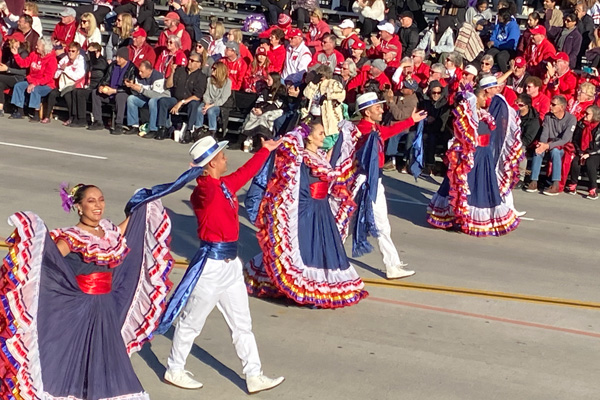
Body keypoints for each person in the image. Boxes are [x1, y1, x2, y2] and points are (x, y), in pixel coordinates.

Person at [0, 183, 173, 400]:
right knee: (77, 359)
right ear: (79, 207)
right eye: (91, 201)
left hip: (106, 307)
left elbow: (128, 226)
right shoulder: (72, 238)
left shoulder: (108, 232)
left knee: (107, 359)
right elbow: (49, 260)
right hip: (81, 311)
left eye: (101, 199)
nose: (98, 205)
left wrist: (144, 202)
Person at [160, 135, 285, 393]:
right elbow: (203, 189)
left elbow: (247, 171)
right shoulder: (203, 191)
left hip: (230, 266)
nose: (226, 158)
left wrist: (265, 151)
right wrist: (198, 171)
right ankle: (174, 369)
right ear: (211, 164)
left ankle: (254, 374)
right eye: (221, 156)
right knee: (191, 322)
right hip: (210, 267)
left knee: (242, 324)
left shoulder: (225, 184)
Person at [245, 121, 369, 307]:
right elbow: (292, 182)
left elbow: (335, 161)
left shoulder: (319, 155)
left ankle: (317, 288)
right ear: (309, 136)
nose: (323, 137)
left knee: (321, 249)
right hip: (306, 210)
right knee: (302, 249)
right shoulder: (301, 158)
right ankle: (295, 288)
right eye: (320, 133)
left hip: (321, 209)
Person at [427, 85, 520, 236]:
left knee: (482, 186)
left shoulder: (484, 114)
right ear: (476, 99)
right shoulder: (470, 117)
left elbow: (499, 103)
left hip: (485, 155)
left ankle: (472, 217)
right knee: (465, 187)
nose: (486, 99)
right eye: (483, 97)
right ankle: (457, 217)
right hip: (473, 156)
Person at [354, 91, 427, 278]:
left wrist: (411, 120)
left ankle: (392, 264)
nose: (381, 110)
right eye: (377, 107)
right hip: (366, 181)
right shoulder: (362, 131)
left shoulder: (374, 129)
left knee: (379, 224)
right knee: (356, 222)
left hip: (374, 180)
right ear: (367, 113)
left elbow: (388, 132)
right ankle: (326, 259)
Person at [525, 95, 577, 195]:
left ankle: (555, 183)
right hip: (548, 143)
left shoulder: (571, 119)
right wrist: (542, 145)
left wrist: (548, 146)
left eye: (553, 105)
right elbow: (545, 133)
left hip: (563, 146)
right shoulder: (548, 116)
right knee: (538, 150)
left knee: (556, 151)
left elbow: (565, 139)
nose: (550, 106)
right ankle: (534, 181)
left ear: (562, 107)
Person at [152, 51, 207, 141]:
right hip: (177, 99)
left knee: (194, 104)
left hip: (188, 102)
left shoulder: (201, 77)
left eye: (193, 61)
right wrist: (172, 73)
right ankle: (162, 128)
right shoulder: (181, 71)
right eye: (189, 60)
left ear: (199, 64)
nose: (189, 62)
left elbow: (197, 95)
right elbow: (169, 85)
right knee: (163, 101)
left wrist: (182, 103)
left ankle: (189, 131)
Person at [88, 47, 137, 133]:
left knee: (120, 96)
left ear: (125, 58)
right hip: (110, 91)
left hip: (122, 93)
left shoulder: (132, 68)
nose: (117, 59)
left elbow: (129, 87)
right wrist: (101, 86)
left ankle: (119, 124)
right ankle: (98, 121)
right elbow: (106, 78)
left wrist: (115, 91)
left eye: (119, 57)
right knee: (95, 93)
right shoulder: (113, 65)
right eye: (116, 57)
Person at [8, 37, 57, 121]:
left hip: (46, 84)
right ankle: (20, 111)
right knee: (18, 86)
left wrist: (35, 83)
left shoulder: (52, 60)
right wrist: (16, 55)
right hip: (32, 80)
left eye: (38, 46)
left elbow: (48, 77)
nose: (36, 47)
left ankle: (36, 114)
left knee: (35, 90)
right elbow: (24, 64)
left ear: (44, 47)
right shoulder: (34, 54)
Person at [42, 42, 86, 124]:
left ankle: (70, 118)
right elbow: (55, 74)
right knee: (52, 94)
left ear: (78, 52)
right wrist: (61, 70)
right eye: (69, 50)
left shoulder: (80, 61)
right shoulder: (65, 59)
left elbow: (77, 76)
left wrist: (66, 69)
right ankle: (47, 117)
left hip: (74, 86)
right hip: (62, 85)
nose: (70, 53)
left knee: (68, 95)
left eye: (73, 51)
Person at [125, 59, 170, 136]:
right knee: (131, 99)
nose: (139, 73)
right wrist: (132, 87)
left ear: (149, 70)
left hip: (160, 100)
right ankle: (134, 125)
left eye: (142, 71)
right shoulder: (138, 77)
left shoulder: (158, 76)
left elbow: (156, 95)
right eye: (139, 71)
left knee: (152, 101)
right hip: (146, 98)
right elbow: (137, 92)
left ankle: (153, 129)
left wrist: (141, 90)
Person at [68, 42, 108, 127]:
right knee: (75, 91)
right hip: (89, 87)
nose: (89, 54)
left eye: (92, 52)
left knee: (80, 93)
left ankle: (82, 119)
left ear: (98, 52)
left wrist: (94, 60)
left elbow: (100, 67)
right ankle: (76, 116)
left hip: (96, 88)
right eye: (88, 52)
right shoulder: (90, 62)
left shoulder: (101, 62)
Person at [565, 105, 600, 199]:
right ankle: (573, 184)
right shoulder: (581, 124)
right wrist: (580, 151)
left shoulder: (598, 127)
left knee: (590, 162)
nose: (585, 115)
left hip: (596, 153)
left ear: (594, 115)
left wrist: (589, 154)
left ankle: (593, 188)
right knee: (576, 161)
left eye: (587, 114)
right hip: (582, 151)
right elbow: (575, 140)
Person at [241, 71, 285, 139]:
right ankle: (244, 138)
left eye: (269, 80)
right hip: (263, 108)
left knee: (264, 117)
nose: (267, 81)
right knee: (252, 114)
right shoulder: (266, 89)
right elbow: (260, 100)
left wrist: (262, 110)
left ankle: (262, 138)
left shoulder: (281, 90)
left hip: (276, 110)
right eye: (267, 79)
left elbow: (276, 105)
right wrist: (257, 108)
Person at [196, 61, 232, 137]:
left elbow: (223, 99)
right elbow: (206, 94)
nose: (212, 70)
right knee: (200, 109)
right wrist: (206, 103)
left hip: (219, 104)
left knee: (211, 111)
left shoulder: (227, 82)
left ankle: (212, 131)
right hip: (208, 102)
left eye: (214, 69)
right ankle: (198, 129)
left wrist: (210, 106)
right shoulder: (209, 80)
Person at [515, 93, 541, 188]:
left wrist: (516, 144)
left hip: (528, 144)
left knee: (521, 150)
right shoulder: (514, 114)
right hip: (514, 140)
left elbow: (528, 139)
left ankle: (520, 178)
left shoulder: (533, 120)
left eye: (520, 105)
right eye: (516, 103)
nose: (517, 106)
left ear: (527, 106)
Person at [0, 32, 28, 117]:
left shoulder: (24, 54)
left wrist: (8, 69)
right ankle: (0, 108)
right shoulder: (11, 52)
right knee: (0, 84)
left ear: (18, 42)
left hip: (19, 78)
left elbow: (23, 72)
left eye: (12, 40)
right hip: (11, 76)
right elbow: (8, 65)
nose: (9, 42)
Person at [486, 9, 519, 73]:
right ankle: (487, 72)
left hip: (509, 49)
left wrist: (495, 43)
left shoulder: (513, 26)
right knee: (488, 55)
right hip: (498, 46)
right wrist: (492, 42)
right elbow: (493, 36)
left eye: (499, 16)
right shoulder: (499, 24)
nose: (498, 17)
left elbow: (510, 44)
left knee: (501, 57)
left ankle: (506, 74)